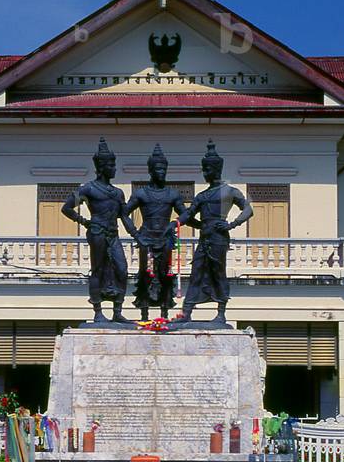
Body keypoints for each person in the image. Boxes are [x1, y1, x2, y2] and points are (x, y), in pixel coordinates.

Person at [174, 139, 253, 326]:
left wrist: (232, 224)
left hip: (219, 238)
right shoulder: (202, 196)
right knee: (196, 272)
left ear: (216, 169)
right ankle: (187, 311)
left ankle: (221, 312)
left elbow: (248, 210)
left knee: (218, 273)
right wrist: (176, 223)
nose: (205, 173)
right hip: (205, 238)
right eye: (204, 169)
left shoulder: (229, 191)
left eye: (207, 169)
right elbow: (189, 214)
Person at [61, 137, 137, 324]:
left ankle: (117, 311)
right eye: (111, 165)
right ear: (102, 167)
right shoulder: (88, 189)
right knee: (99, 270)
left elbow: (124, 216)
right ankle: (98, 311)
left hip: (113, 233)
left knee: (122, 268)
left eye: (114, 164)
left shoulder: (118, 192)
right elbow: (66, 208)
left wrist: (136, 235)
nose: (114, 168)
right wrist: (84, 222)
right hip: (97, 232)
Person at [123, 143, 197, 321]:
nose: (161, 172)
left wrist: (176, 222)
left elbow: (186, 212)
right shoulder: (141, 194)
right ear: (150, 170)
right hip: (146, 239)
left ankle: (164, 314)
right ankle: (144, 314)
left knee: (165, 275)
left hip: (165, 239)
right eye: (158, 169)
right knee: (145, 275)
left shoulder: (172, 194)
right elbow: (123, 213)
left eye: (164, 169)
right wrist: (135, 234)